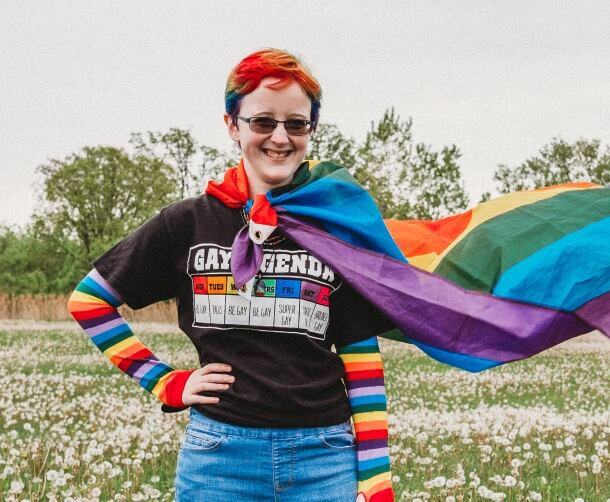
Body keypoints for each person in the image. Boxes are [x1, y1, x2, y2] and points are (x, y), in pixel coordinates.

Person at [68, 49, 394, 501]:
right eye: (263, 121)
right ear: (232, 126)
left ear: (311, 131)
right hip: (219, 458)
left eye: (296, 124)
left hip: (325, 456)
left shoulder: (336, 229)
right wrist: (166, 381)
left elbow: (361, 356)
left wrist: (377, 479)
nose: (280, 138)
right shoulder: (186, 223)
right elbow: (88, 301)